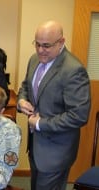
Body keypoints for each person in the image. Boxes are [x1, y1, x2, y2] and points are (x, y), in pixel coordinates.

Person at [17, 20, 91, 190]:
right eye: (37, 44)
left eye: (46, 46)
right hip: (36, 147)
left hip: (56, 152)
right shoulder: (34, 60)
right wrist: (22, 101)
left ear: (61, 42)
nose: (40, 50)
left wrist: (40, 124)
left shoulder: (73, 70)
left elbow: (78, 116)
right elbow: (26, 86)